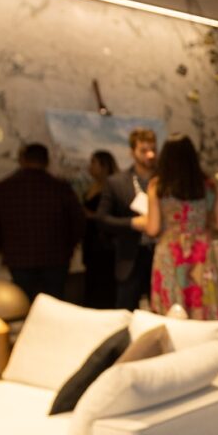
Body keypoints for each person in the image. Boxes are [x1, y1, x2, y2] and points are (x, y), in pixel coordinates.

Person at [0, 143, 85, 301]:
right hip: (55, 257)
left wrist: (5, 248)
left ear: (23, 160)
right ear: (46, 161)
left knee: (22, 303)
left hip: (18, 258)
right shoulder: (60, 187)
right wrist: (68, 248)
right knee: (54, 305)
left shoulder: (4, 187)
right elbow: (77, 222)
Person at [145, 134, 218, 320]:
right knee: (202, 303)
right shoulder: (208, 185)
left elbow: (153, 228)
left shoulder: (157, 186)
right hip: (201, 252)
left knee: (171, 307)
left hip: (170, 252)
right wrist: (202, 222)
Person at [96, 128, 157, 309]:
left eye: (153, 149)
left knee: (160, 309)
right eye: (144, 150)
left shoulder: (163, 181)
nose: (150, 155)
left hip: (160, 254)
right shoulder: (117, 182)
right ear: (132, 152)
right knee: (125, 308)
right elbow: (101, 219)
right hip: (130, 256)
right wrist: (132, 223)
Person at [82, 150, 118, 308]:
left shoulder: (111, 187)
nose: (90, 167)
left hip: (105, 245)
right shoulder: (93, 187)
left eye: (93, 163)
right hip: (91, 242)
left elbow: (113, 214)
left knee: (104, 285)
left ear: (104, 165)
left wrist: (93, 215)